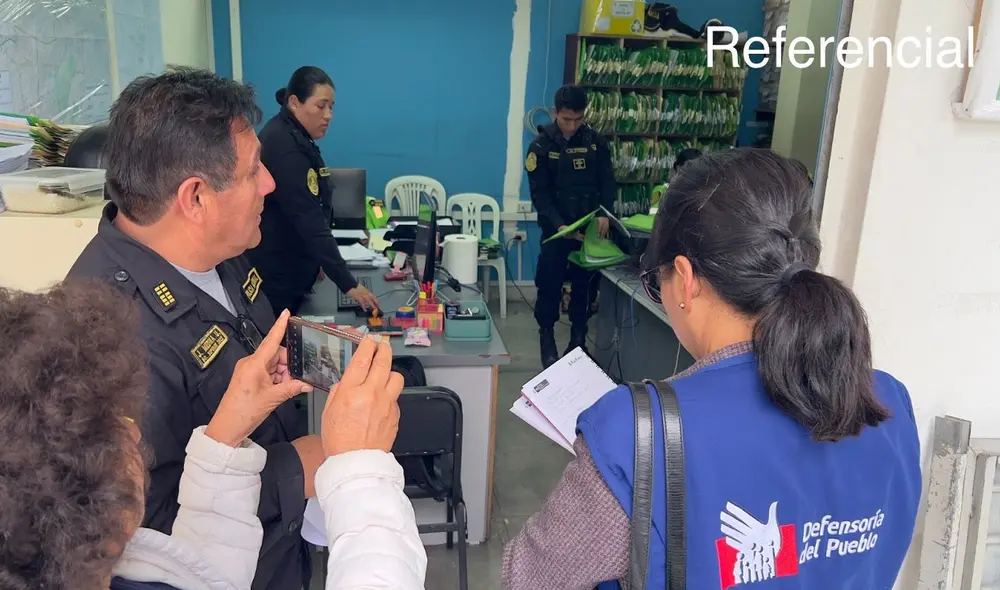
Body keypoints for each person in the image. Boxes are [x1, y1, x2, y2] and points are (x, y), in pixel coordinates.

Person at [502, 149, 922, 588]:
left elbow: (527, 580)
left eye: (654, 281)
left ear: (685, 279)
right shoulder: (889, 402)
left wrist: (611, 470)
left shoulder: (637, 433)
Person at [67, 68, 321, 590]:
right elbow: (147, 532)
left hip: (276, 554)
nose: (269, 184)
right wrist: (304, 465)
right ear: (196, 198)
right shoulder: (110, 338)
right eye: (254, 172)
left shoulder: (221, 253)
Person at [0, 281, 427, 590]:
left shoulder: (95, 568)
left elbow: (199, 574)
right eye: (122, 425)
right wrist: (361, 472)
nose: (134, 435)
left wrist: (224, 438)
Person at [246, 66, 379, 315]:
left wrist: (316, 260)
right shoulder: (286, 147)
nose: (328, 115)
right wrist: (348, 284)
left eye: (331, 107)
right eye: (321, 106)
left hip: (290, 269)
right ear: (294, 102)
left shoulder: (293, 134)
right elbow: (309, 218)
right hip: (278, 279)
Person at [526, 84, 616, 368]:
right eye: (566, 119)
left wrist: (605, 214)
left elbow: (607, 183)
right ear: (555, 113)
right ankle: (547, 336)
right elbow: (540, 194)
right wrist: (559, 225)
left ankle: (578, 339)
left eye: (578, 119)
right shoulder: (540, 146)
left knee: (584, 286)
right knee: (550, 284)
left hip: (589, 230)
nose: (572, 125)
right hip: (557, 230)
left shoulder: (595, 143)